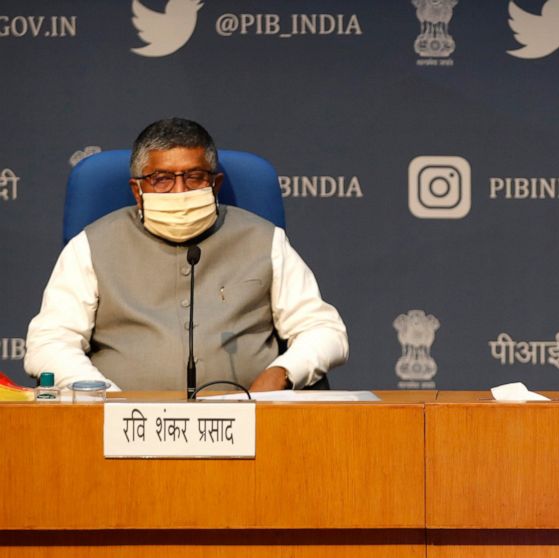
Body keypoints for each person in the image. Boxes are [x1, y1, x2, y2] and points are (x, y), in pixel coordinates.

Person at [25, 118, 348, 392]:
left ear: (215, 184)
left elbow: (324, 330)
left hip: (251, 423)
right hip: (119, 426)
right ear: (138, 190)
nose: (180, 192)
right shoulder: (91, 245)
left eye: (194, 177)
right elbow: (50, 342)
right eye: (162, 180)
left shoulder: (265, 239)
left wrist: (282, 374)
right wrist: (105, 398)